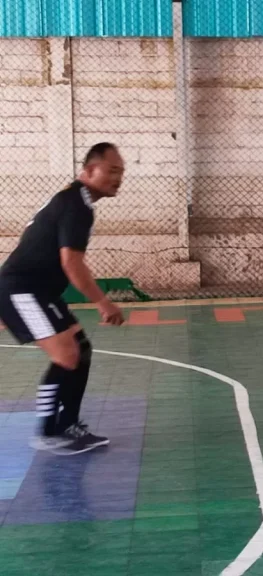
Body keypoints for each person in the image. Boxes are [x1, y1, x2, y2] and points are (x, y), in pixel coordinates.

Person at [0, 142, 126, 455]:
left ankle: (68, 425)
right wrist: (103, 302)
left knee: (80, 349)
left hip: (39, 291)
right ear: (89, 170)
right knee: (67, 356)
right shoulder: (76, 204)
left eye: (121, 172)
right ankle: (48, 432)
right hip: (22, 289)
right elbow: (71, 262)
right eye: (112, 170)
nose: (118, 178)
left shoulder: (76, 201)